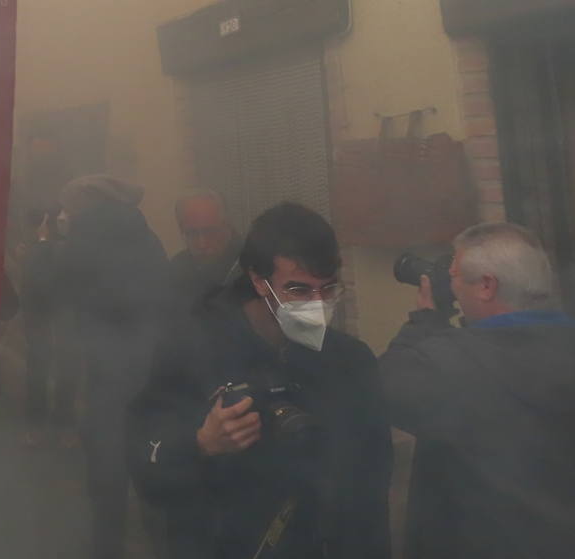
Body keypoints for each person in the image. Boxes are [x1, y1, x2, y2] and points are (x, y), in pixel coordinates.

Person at [129, 202, 392, 559]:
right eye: (298, 290)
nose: (317, 305)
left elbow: (372, 484)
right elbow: (144, 461)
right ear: (258, 280)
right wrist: (201, 444)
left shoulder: (350, 360)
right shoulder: (192, 348)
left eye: (328, 289)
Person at [378, 222, 575, 559]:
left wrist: (426, 319)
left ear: (486, 286)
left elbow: (384, 387)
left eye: (453, 276)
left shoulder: (452, 363)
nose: (451, 288)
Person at [55, 174, 169, 559]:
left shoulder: (82, 238)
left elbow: (61, 293)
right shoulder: (146, 234)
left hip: (106, 370)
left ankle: (108, 546)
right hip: (151, 365)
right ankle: (165, 543)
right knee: (152, 456)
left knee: (107, 466)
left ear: (84, 204)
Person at [19, 206, 80, 446]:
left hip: (64, 318)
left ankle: (63, 424)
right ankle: (38, 425)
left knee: (66, 370)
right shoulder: (35, 248)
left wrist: (42, 244)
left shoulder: (64, 247)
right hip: (40, 319)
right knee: (38, 370)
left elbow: (55, 279)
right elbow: (34, 282)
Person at [168, 190, 242, 300]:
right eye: (192, 233)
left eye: (209, 232)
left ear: (226, 226)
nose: (201, 244)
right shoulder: (176, 268)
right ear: (181, 229)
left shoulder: (249, 266)